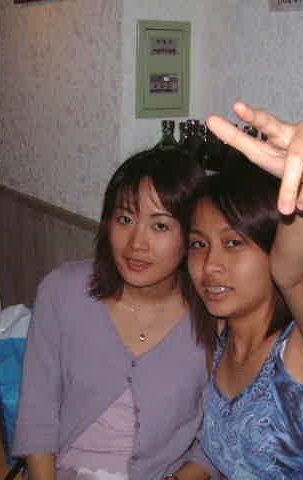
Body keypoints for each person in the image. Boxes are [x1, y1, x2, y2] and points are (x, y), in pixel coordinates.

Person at [187, 102, 303, 479]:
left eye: (233, 243)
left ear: (273, 246)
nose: (210, 265)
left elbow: (298, 273)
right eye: (198, 244)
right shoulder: (222, 333)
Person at [12, 148, 220, 480]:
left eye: (160, 226)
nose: (136, 243)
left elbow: (217, 437)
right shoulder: (62, 291)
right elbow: (37, 411)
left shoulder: (213, 316)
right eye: (125, 219)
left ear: (192, 235)